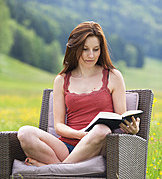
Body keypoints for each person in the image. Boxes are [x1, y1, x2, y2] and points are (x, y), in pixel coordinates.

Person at [17, 21, 140, 167]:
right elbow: (59, 126)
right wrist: (79, 134)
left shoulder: (113, 76)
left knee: (101, 129)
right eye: (85, 49)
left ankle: (53, 169)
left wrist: (133, 129)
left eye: (96, 49)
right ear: (75, 48)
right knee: (25, 133)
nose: (91, 55)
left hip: (96, 147)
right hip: (66, 146)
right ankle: (63, 169)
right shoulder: (61, 80)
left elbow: (121, 118)